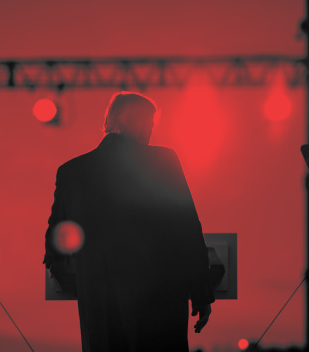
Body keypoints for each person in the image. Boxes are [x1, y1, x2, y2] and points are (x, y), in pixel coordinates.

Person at [43, 91, 215, 352]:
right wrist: (201, 294)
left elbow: (56, 241)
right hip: (160, 303)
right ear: (137, 122)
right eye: (150, 122)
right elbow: (187, 231)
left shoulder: (71, 172)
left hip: (99, 307)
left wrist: (81, 287)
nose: (151, 130)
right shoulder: (162, 161)